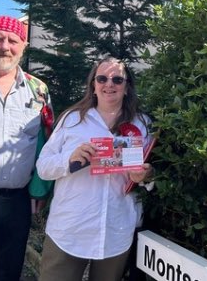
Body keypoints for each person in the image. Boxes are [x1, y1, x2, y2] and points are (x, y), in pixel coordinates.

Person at [35, 58, 154, 281]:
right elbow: (43, 167)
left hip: (116, 231)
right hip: (69, 230)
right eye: (102, 78)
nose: (109, 84)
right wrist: (68, 160)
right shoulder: (72, 120)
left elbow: (151, 172)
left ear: (126, 87)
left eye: (117, 79)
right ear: (93, 85)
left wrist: (146, 176)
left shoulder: (143, 124)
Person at [0, 16, 53, 281]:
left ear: (24, 46)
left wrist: (40, 188)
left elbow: (48, 140)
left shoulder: (38, 91)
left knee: (10, 268)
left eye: (12, 40)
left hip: (17, 200)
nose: (4, 46)